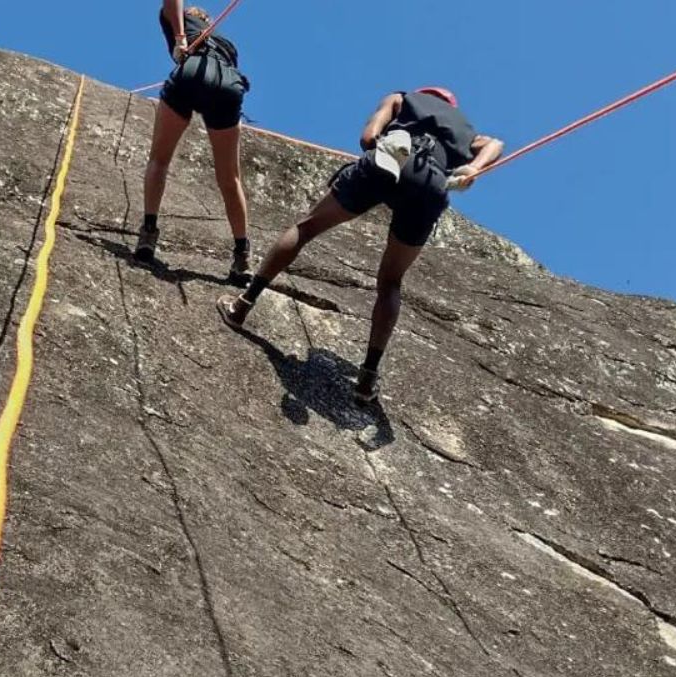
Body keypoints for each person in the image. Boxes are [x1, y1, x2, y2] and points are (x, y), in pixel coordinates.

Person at [216, 87, 504, 403]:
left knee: (306, 228)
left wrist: (379, 145)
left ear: (426, 95)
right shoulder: (466, 132)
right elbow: (495, 144)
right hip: (431, 183)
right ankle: (366, 378)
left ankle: (241, 307)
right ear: (452, 106)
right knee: (391, 281)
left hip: (389, 159)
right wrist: (473, 170)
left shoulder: (403, 99)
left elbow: (368, 138)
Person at [137, 0, 251, 284]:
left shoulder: (179, 20)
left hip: (191, 73)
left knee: (159, 160)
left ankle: (148, 234)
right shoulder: (226, 42)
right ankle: (241, 254)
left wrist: (178, 38)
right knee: (230, 178)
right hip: (228, 84)